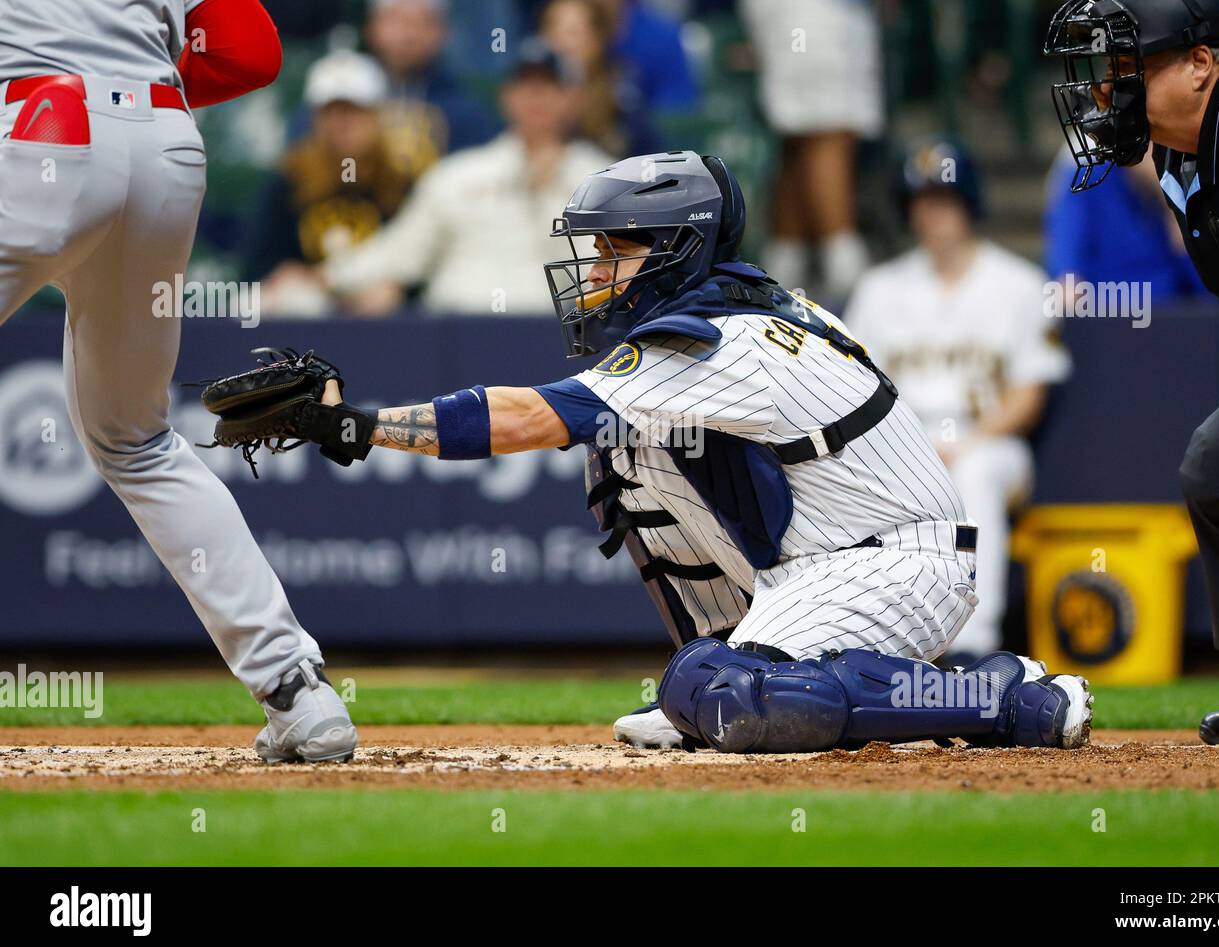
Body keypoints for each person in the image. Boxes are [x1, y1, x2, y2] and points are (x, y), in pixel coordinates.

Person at [202, 150, 1095, 755]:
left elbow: (521, 420)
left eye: (614, 251)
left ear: (677, 252)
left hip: (896, 564)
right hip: (832, 557)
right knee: (626, 447)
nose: (594, 272)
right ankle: (737, 663)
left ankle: (999, 698)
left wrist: (353, 426)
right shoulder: (728, 306)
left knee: (723, 693)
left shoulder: (721, 338)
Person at [0, 0, 356, 762]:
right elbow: (253, 50)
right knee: (137, 440)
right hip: (164, 145)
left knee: (133, 441)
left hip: (40, 129)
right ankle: (299, 692)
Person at [1046, 0, 1219, 744]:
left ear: (1201, 63)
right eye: (1107, 72)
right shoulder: (1179, 156)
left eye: (1130, 70)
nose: (1106, 92)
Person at [844, 141, 1072, 664]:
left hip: (988, 438)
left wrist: (966, 442)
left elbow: (1029, 393)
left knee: (977, 472)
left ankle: (973, 642)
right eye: (922, 202)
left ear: (969, 203)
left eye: (944, 200)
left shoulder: (1018, 283)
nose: (933, 214)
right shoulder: (879, 289)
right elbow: (855, 389)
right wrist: (913, 449)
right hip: (902, 442)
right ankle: (870, 645)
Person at [323, 44, 611, 317]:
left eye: (549, 87)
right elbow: (401, 252)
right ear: (506, 96)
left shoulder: (600, 180)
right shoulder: (457, 174)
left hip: (556, 337)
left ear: (571, 98)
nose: (536, 97)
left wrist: (547, 195)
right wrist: (327, 277)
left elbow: (606, 273)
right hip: (456, 337)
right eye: (525, 86)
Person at [252, 50, 422, 317]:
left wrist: (397, 288)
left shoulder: (400, 182)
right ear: (315, 119)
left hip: (378, 301)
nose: (342, 124)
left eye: (354, 112)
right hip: (306, 300)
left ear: (376, 116)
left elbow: (417, 262)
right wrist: (289, 274)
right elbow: (257, 263)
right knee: (288, 301)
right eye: (331, 113)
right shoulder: (290, 178)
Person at [740, 0, 884, 301]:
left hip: (822, 15)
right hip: (812, 13)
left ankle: (782, 269)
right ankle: (846, 274)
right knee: (827, 131)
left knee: (800, 142)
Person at [1045, 144, 1207, 303]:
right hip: (1108, 314)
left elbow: (1208, 292)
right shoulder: (1089, 181)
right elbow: (1066, 274)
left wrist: (1173, 204)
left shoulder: (1188, 182)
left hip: (1173, 316)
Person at [364, 0, 499, 165]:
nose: (408, 36)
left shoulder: (465, 111)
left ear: (443, 33)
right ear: (372, 29)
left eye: (422, 23)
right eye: (397, 21)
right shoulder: (343, 100)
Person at [540, 0, 661, 157]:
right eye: (553, 33)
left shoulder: (622, 97)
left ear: (598, 39)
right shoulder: (525, 90)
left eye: (572, 33)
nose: (562, 44)